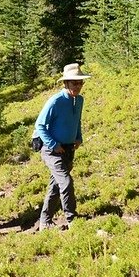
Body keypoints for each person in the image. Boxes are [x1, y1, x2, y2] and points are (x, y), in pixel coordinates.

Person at [33, 63, 91, 231]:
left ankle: (45, 221)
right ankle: (72, 219)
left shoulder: (79, 100)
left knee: (56, 185)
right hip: (51, 150)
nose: (78, 86)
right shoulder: (55, 101)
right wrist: (53, 144)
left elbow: (77, 120)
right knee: (65, 182)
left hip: (68, 148)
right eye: (74, 83)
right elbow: (40, 125)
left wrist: (78, 137)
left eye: (80, 82)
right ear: (66, 83)